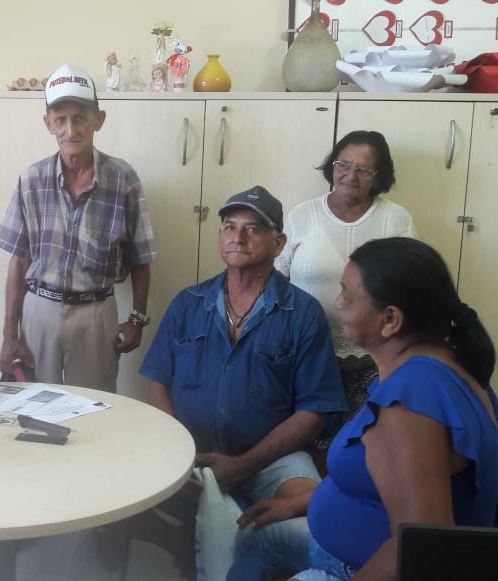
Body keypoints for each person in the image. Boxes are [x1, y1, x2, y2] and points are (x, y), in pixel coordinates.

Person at [233, 237, 498, 581]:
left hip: (353, 571)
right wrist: (300, 502)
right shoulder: (442, 365)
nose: (336, 302)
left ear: (390, 319)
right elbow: (382, 481)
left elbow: (421, 549)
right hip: (340, 549)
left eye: (347, 294)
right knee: (245, 540)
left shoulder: (408, 407)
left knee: (241, 546)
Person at [126, 185, 345, 577]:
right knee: (120, 497)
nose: (237, 237)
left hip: (270, 460)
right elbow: (158, 382)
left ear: (278, 243)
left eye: (252, 229)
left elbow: (314, 410)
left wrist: (242, 465)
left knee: (315, 519)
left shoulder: (303, 313)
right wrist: (179, 452)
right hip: (190, 454)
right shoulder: (188, 303)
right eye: (229, 227)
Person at [0, 63, 155, 393]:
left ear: (99, 119)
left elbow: (141, 258)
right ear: (48, 124)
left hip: (95, 315)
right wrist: (10, 334)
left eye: (80, 117)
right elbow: (19, 262)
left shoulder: (124, 179)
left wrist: (137, 319)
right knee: (35, 406)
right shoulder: (31, 180)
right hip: (39, 311)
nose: (71, 129)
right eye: (61, 119)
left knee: (95, 413)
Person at [275, 130, 414, 449]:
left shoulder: (395, 219)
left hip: (373, 360)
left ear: (379, 177)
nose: (350, 175)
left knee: (357, 449)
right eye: (343, 164)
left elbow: (410, 289)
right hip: (304, 356)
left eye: (363, 169)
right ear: (332, 166)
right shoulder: (302, 215)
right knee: (302, 446)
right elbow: (276, 284)